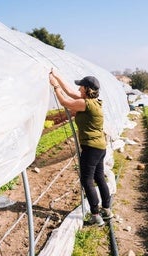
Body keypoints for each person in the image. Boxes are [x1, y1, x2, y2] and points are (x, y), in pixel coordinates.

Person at [48, 68, 113, 226]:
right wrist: (57, 75)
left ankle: (95, 215)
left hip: (91, 148)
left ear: (86, 89)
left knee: (87, 180)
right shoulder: (94, 102)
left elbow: (65, 101)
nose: (78, 88)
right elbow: (70, 92)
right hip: (99, 147)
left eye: (81, 86)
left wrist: (55, 86)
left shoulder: (85, 104)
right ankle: (106, 210)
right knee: (99, 177)